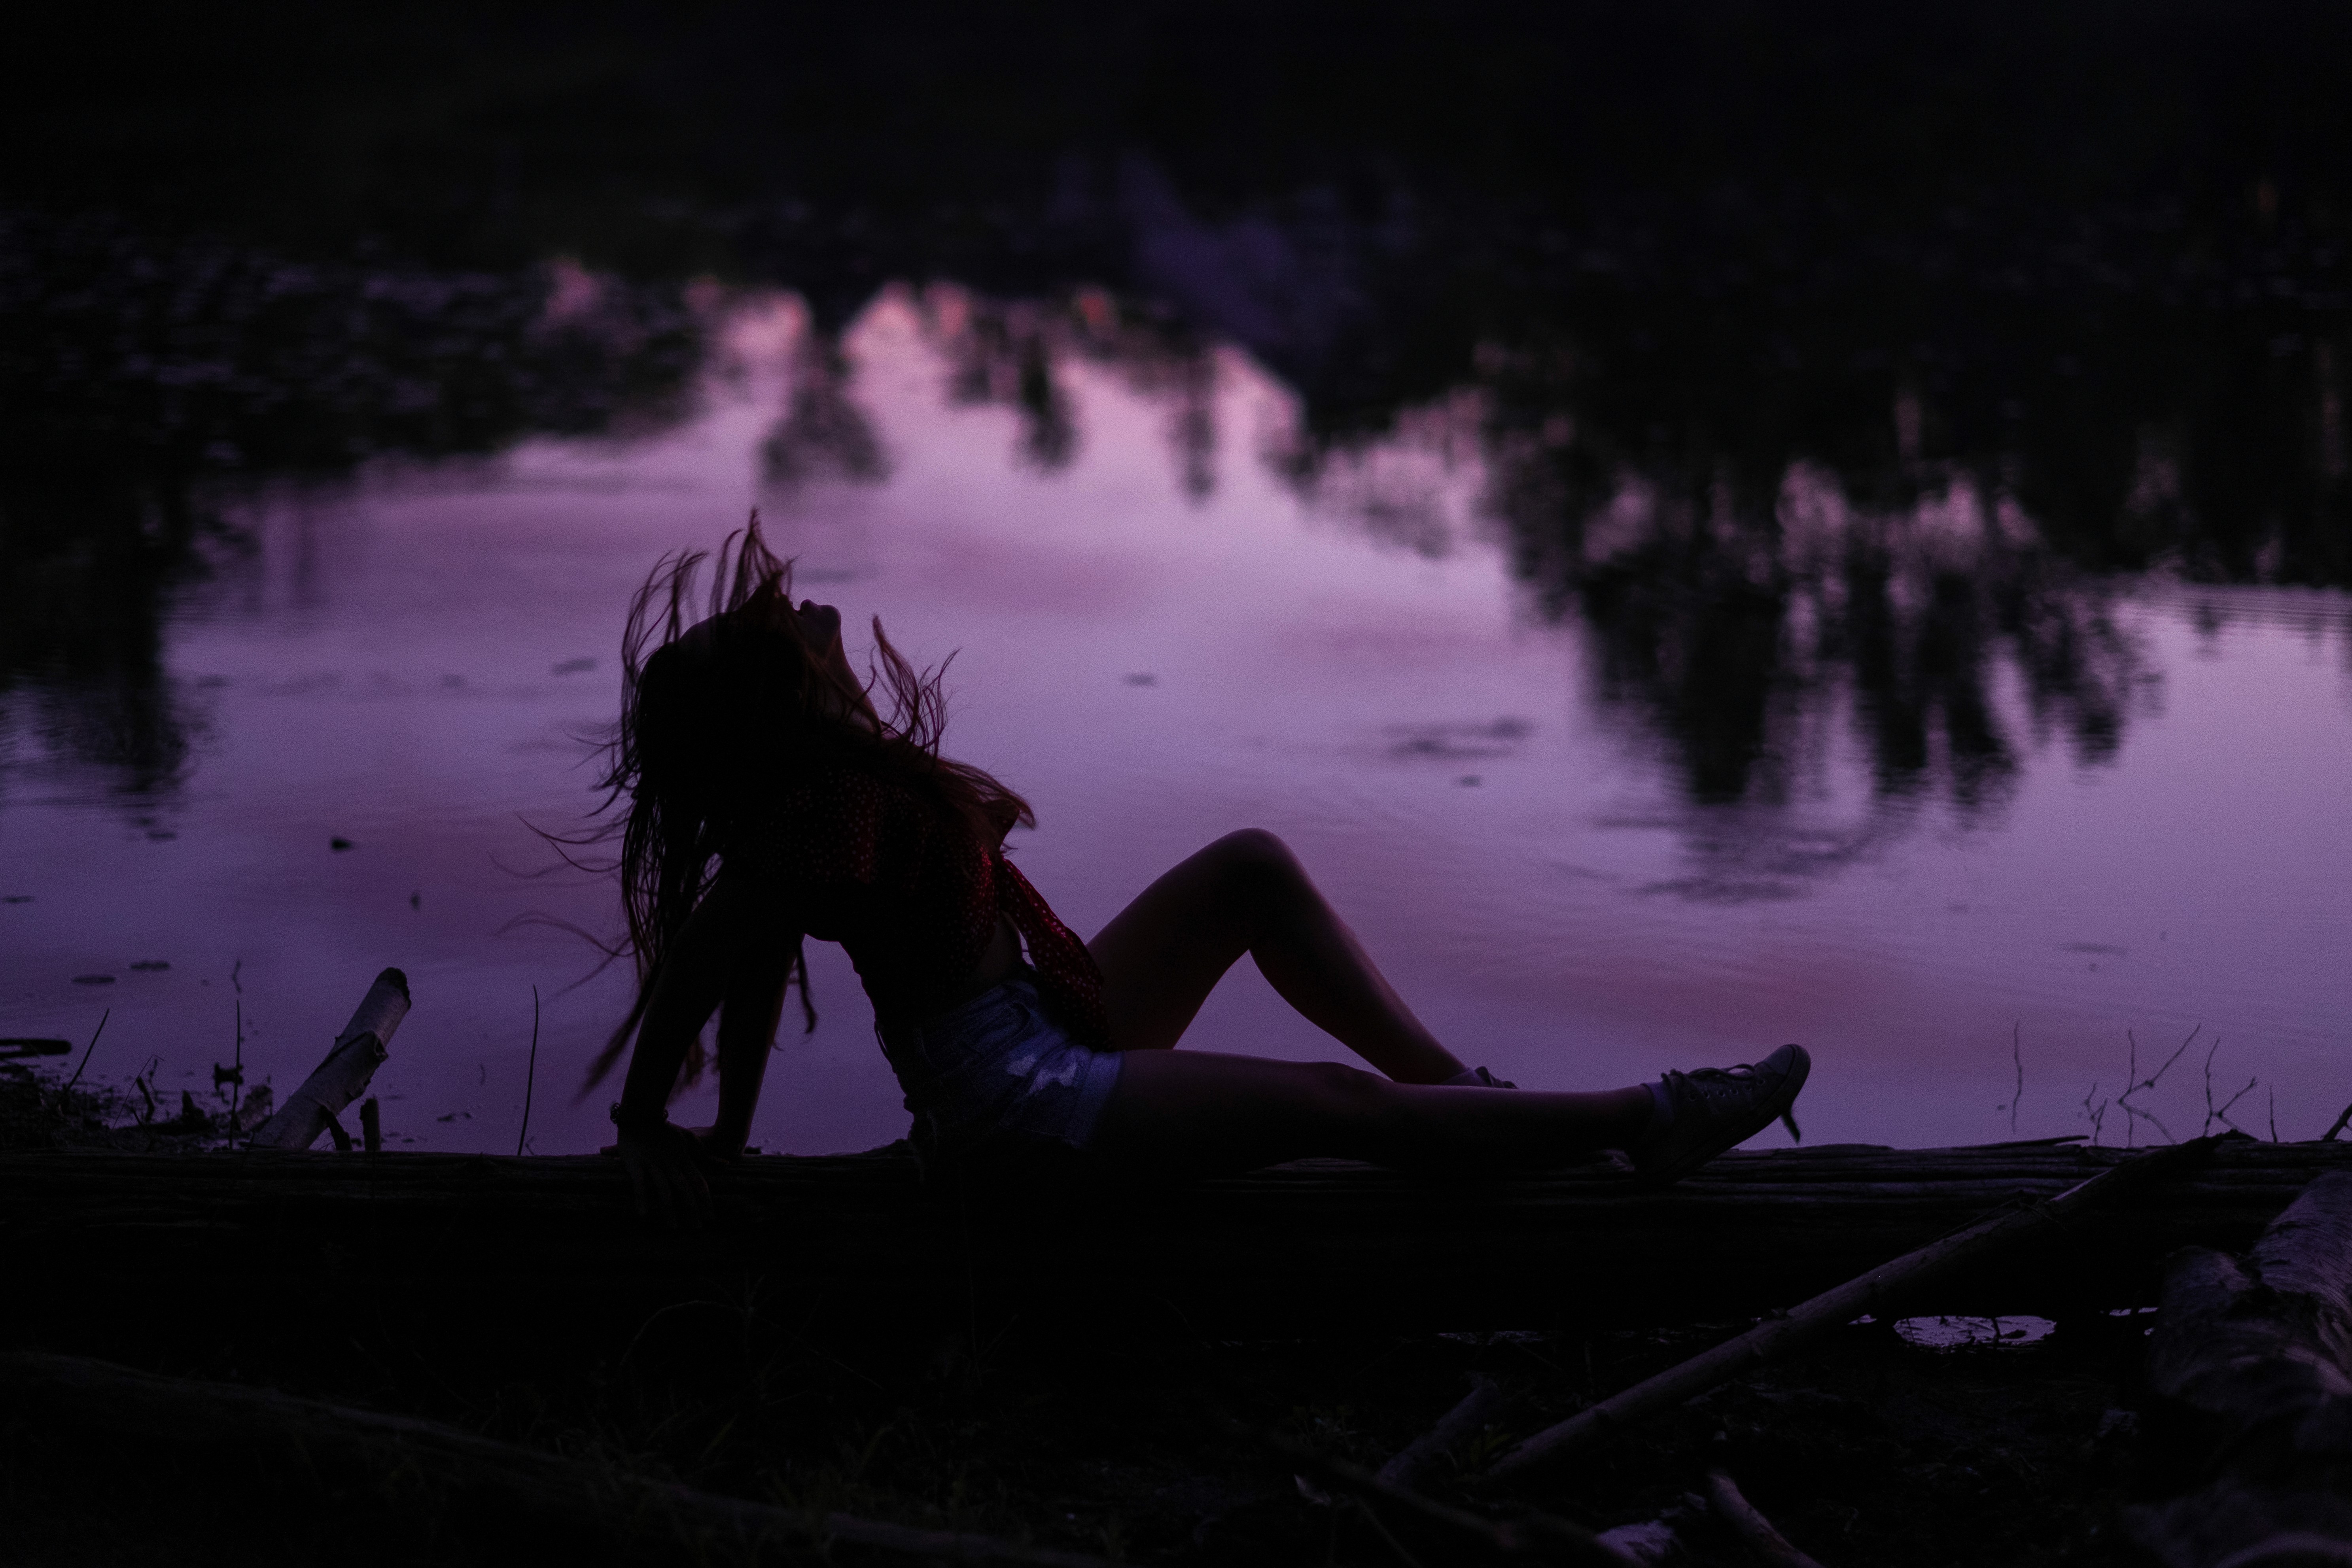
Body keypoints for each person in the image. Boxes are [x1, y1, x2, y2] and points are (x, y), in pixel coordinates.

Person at [585, 520, 1809, 1225]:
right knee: (1340, 1109)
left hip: (1041, 1021)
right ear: (777, 708)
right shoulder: (821, 818)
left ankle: (1464, 1095)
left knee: (1247, 868)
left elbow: (744, 982)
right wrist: (650, 1123)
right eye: (781, 637)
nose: (808, 618)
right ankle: (1650, 1121)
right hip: (1016, 1112)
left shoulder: (843, 786)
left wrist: (730, 1135)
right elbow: (714, 963)